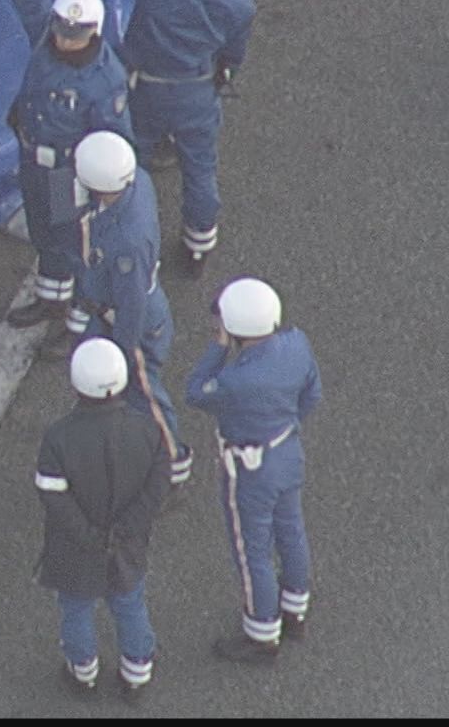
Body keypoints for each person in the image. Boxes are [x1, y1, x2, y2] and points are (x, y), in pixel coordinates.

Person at [0, 0, 132, 334]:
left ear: (94, 32)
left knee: (74, 245)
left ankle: (74, 324)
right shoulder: (46, 41)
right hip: (34, 159)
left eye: (74, 34)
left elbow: (115, 141)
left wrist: (101, 190)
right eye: (62, 31)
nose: (65, 40)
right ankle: (51, 301)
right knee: (43, 232)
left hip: (72, 173)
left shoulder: (106, 82)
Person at [115, 0, 256, 275]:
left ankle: (124, 230)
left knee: (130, 159)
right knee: (200, 169)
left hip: (147, 87)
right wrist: (225, 73)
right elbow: (233, 54)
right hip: (196, 91)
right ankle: (198, 245)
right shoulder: (239, 5)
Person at [185, 277, 322, 664]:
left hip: (250, 469)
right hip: (287, 450)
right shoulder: (298, 344)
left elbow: (195, 391)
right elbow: (312, 395)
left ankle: (262, 633)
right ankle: (295, 609)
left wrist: (217, 347)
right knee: (291, 530)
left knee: (252, 552)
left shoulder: (235, 380)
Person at [37, 338, 170, 702]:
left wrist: (88, 535)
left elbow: (53, 494)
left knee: (77, 607)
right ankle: (136, 672)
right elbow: (158, 484)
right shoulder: (147, 430)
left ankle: (83, 673)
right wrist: (125, 529)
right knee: (129, 602)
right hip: (128, 541)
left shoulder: (59, 437)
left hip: (76, 545)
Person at [69, 131, 193, 488]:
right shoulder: (134, 179)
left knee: (144, 392)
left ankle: (173, 466)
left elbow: (131, 302)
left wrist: (123, 350)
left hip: (128, 323)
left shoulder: (128, 242)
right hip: (107, 311)